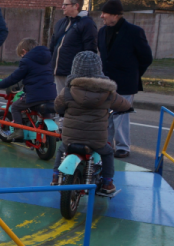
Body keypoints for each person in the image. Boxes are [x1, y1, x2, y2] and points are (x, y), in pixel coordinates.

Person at [52, 51, 131, 197]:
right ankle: (107, 182)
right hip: (96, 140)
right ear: (98, 70)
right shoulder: (108, 93)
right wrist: (129, 108)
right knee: (107, 153)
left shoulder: (68, 91)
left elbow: (58, 106)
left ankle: (56, 175)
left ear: (75, 69)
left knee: (61, 149)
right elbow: (123, 104)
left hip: (71, 137)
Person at [98, 0, 153, 159]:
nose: (102, 16)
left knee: (121, 116)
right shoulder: (102, 32)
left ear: (115, 15)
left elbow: (146, 57)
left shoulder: (134, 32)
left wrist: (133, 74)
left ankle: (122, 147)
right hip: (105, 81)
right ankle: (106, 144)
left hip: (125, 82)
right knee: (105, 115)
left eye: (105, 13)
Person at [0, 38, 56, 141]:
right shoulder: (48, 59)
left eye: (21, 55)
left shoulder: (27, 61)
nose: (22, 57)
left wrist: (1, 84)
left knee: (15, 106)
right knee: (46, 112)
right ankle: (49, 134)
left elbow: (15, 77)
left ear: (24, 51)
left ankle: (18, 130)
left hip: (35, 95)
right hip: (50, 94)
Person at [50, 0, 98, 95]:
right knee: (59, 103)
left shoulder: (87, 24)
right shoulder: (61, 23)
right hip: (58, 72)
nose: (62, 7)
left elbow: (90, 51)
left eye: (65, 4)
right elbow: (52, 45)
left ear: (76, 6)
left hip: (75, 74)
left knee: (72, 104)